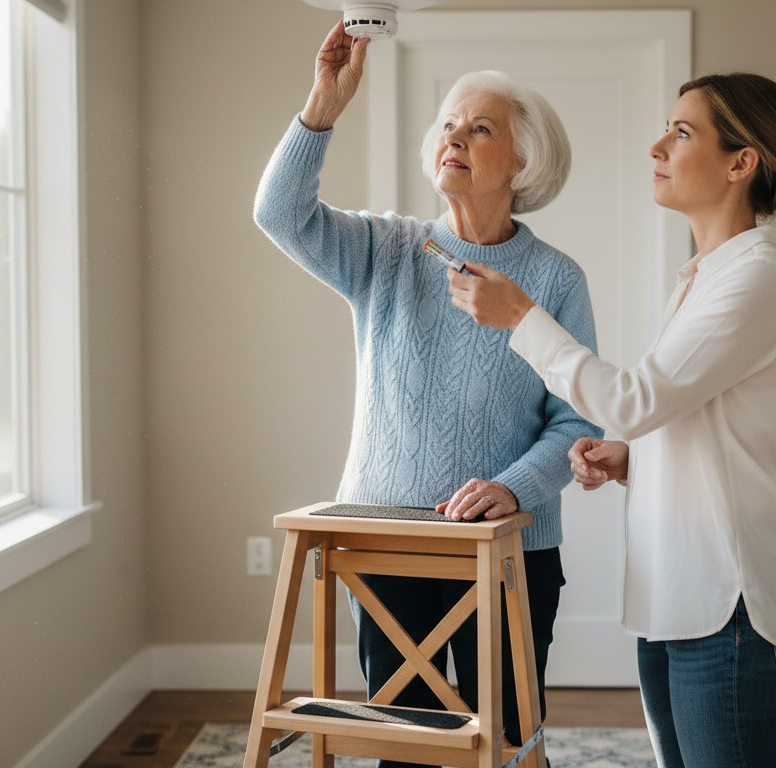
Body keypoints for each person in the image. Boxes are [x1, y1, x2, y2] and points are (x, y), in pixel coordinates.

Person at [252, 21, 601, 768]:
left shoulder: (556, 278)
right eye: (449, 124)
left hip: (507, 550)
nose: (455, 138)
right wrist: (322, 106)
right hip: (386, 542)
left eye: (481, 129)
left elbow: (577, 421)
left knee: (506, 743)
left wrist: (511, 488)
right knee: (404, 750)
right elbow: (278, 214)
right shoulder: (384, 248)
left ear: (523, 161)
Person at [448, 72, 776, 768]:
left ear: (740, 163)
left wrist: (523, 318)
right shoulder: (704, 279)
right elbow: (686, 414)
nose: (657, 146)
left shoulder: (756, 278)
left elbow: (632, 400)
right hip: (676, 596)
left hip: (726, 601)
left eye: (681, 133)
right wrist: (633, 458)